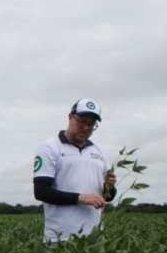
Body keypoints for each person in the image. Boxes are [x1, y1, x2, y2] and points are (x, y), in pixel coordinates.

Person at [32, 98, 117, 242]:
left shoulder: (100, 150)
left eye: (91, 124)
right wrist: (80, 198)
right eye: (82, 121)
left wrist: (109, 187)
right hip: (60, 239)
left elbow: (108, 197)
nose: (86, 128)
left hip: (95, 237)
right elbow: (41, 192)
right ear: (70, 117)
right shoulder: (50, 148)